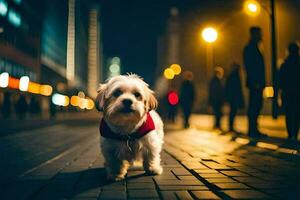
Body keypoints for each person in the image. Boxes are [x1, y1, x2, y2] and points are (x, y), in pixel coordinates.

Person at [243, 26, 266, 137]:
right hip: (255, 83)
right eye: (259, 34)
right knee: (255, 105)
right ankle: (252, 130)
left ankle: (254, 129)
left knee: (256, 105)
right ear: (254, 35)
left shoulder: (254, 47)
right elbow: (250, 67)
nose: (261, 36)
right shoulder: (250, 48)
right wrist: (255, 82)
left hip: (256, 83)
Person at [279, 42, 300, 140]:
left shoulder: (285, 64)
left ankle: (290, 133)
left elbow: (280, 79)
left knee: (288, 113)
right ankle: (295, 134)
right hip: (297, 92)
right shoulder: (298, 63)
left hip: (287, 92)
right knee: (297, 114)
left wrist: (280, 90)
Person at [225, 63, 244, 132]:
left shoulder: (231, 76)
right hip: (234, 97)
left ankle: (231, 126)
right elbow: (236, 88)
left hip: (232, 97)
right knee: (233, 112)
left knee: (232, 112)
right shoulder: (235, 76)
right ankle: (231, 127)